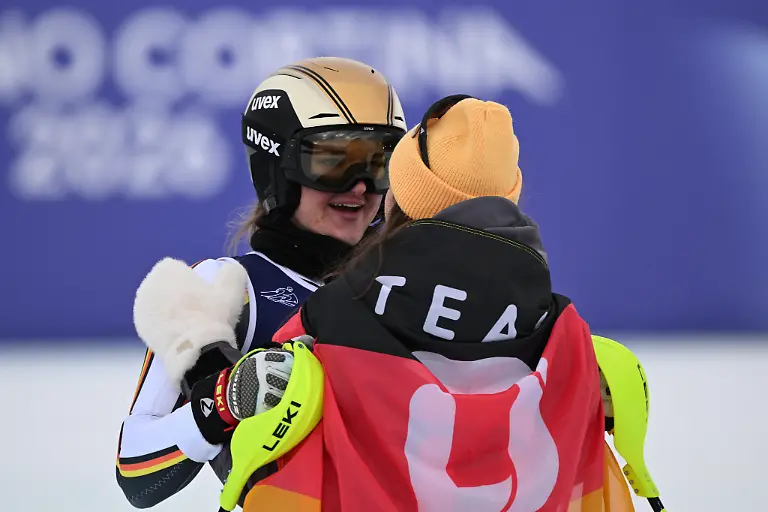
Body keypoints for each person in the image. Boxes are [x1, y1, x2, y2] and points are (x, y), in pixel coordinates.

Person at [233, 95, 639, 511]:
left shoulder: (335, 309)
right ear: (509, 197)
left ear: (407, 195)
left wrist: (220, 398)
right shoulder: (560, 330)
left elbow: (267, 406)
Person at [115, 56, 407, 508]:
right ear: (278, 167)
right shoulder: (221, 291)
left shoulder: (405, 285)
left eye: (379, 162)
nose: (361, 188)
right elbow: (135, 468)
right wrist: (227, 399)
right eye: (333, 161)